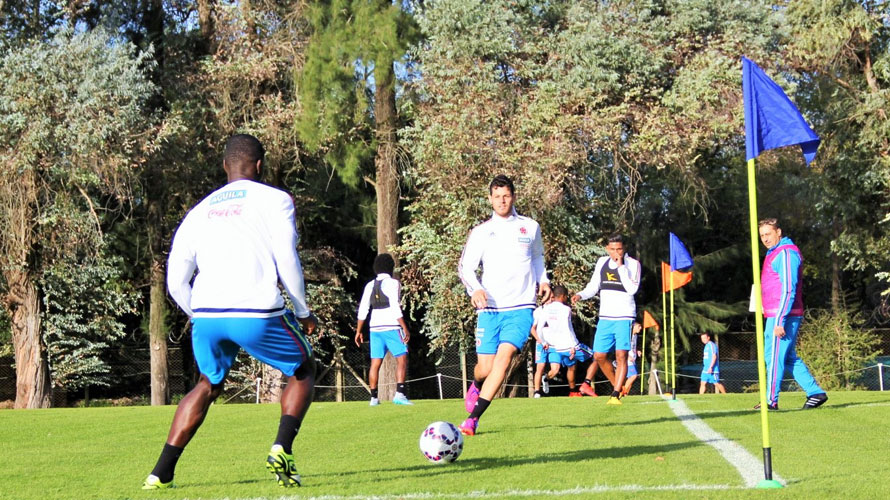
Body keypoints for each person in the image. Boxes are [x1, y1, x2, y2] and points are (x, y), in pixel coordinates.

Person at [142, 135, 317, 490]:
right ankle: (281, 447)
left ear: (225, 166)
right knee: (304, 368)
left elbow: (176, 277)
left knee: (207, 384)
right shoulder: (276, 199)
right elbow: (287, 259)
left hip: (206, 315)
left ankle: (160, 472)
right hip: (255, 313)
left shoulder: (199, 210)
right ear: (260, 165)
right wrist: (302, 310)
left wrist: (198, 312)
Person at [457, 174, 551, 435]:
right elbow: (465, 267)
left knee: (504, 358)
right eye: (497, 196)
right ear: (490, 199)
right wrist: (475, 289)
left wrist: (543, 280)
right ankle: (476, 385)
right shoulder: (481, 232)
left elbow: (537, 258)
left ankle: (473, 419)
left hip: (521, 307)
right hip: (490, 309)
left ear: (514, 197)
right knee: (485, 368)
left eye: (506, 196)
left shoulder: (530, 227)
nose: (502, 201)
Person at [756, 218, 827, 410]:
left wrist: (780, 320)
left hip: (784, 317)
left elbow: (789, 289)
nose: (765, 239)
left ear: (778, 232)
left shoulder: (786, 253)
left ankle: (771, 401)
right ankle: (816, 393)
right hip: (774, 315)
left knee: (774, 357)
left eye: (768, 234)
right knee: (786, 357)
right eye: (762, 235)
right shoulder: (774, 253)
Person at [572, 234, 641, 405]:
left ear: (624, 249)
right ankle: (619, 386)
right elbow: (593, 286)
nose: (615, 252)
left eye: (619, 249)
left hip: (624, 316)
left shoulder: (633, 264)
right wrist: (581, 295)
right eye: (612, 249)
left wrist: (621, 267)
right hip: (605, 317)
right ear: (607, 249)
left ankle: (615, 394)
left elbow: (632, 289)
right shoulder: (602, 262)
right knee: (599, 355)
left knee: (621, 355)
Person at [354, 253, 412, 406]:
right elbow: (395, 306)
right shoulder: (394, 283)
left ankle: (373, 398)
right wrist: (404, 327)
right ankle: (399, 394)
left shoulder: (369, 285)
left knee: (375, 363)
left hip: (374, 328)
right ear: (390, 267)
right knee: (402, 358)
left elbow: (363, 310)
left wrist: (358, 331)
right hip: (392, 326)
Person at [530, 285, 593, 397]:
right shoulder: (566, 309)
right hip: (569, 346)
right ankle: (586, 384)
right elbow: (567, 328)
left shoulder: (547, 309)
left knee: (571, 366)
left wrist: (543, 341)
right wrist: (573, 346)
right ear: (563, 296)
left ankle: (573, 392)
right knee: (597, 357)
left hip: (557, 347)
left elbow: (539, 328)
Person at [620, 322, 643, 397]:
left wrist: (637, 351)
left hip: (632, 359)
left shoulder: (635, 336)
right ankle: (622, 392)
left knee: (630, 379)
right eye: (639, 326)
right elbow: (622, 347)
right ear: (634, 326)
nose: (640, 328)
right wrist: (627, 356)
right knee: (634, 376)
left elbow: (632, 347)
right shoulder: (628, 336)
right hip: (628, 359)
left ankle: (625, 395)